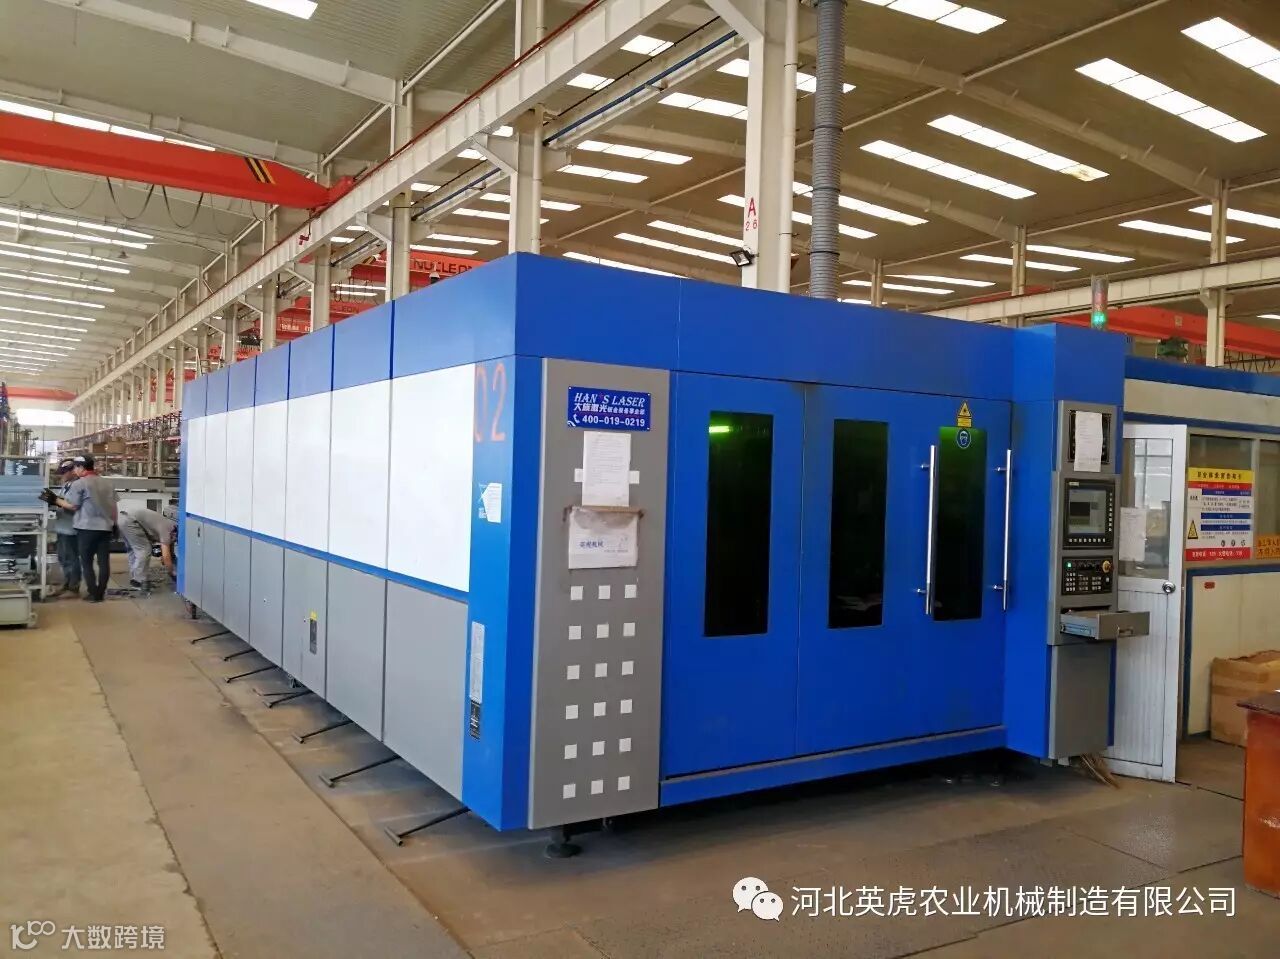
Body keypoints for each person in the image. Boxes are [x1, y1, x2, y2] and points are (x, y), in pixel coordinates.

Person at [52, 455, 118, 603]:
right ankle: (100, 593)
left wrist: (55, 500)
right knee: (103, 562)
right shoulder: (108, 483)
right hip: (105, 528)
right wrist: (114, 524)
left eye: (76, 467)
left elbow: (73, 506)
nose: (75, 470)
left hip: (86, 528)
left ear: (81, 467)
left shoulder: (80, 484)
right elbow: (114, 507)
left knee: (86, 562)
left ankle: (93, 593)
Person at [117, 506, 177, 588]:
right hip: (131, 521)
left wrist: (168, 559)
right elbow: (166, 556)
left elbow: (168, 551)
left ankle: (135, 576)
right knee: (144, 550)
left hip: (122, 518)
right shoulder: (169, 530)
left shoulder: (170, 525)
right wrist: (172, 573)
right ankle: (138, 581)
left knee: (133, 550)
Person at [47, 459, 81, 597]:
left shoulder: (78, 486)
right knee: (63, 557)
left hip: (71, 528)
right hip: (62, 526)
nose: (62, 475)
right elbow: (63, 502)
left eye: (64, 472)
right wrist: (53, 502)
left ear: (73, 471)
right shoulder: (67, 485)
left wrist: (55, 500)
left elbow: (74, 506)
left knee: (71, 558)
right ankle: (67, 583)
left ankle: (73, 587)